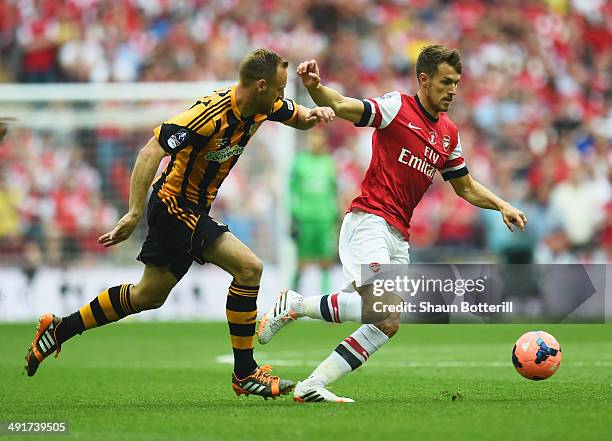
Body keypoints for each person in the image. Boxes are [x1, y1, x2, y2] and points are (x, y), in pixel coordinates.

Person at [24, 48, 335, 400]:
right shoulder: (209, 113)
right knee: (249, 269)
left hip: (192, 210)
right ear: (261, 86)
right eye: (279, 89)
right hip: (174, 206)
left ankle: (59, 329)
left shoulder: (264, 106)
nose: (282, 96)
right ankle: (246, 373)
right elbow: (150, 151)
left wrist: (317, 107)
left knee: (148, 296)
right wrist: (133, 212)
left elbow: (301, 116)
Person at [257, 44, 527, 403]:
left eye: (457, 83)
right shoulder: (397, 108)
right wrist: (315, 88)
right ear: (424, 80)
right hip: (369, 219)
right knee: (386, 310)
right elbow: (342, 106)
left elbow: (464, 186)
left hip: (399, 234)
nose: (453, 90)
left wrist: (501, 204)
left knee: (386, 325)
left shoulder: (449, 134)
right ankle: (294, 305)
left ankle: (311, 386)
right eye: (446, 82)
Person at [289, 128, 339, 293]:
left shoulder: (329, 163)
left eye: (318, 138)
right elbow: (291, 191)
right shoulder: (299, 162)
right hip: (305, 218)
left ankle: (325, 298)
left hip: (325, 219)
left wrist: (336, 215)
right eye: (312, 138)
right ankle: (292, 295)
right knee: (301, 262)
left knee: (326, 261)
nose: (315, 141)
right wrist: (293, 214)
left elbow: (334, 191)